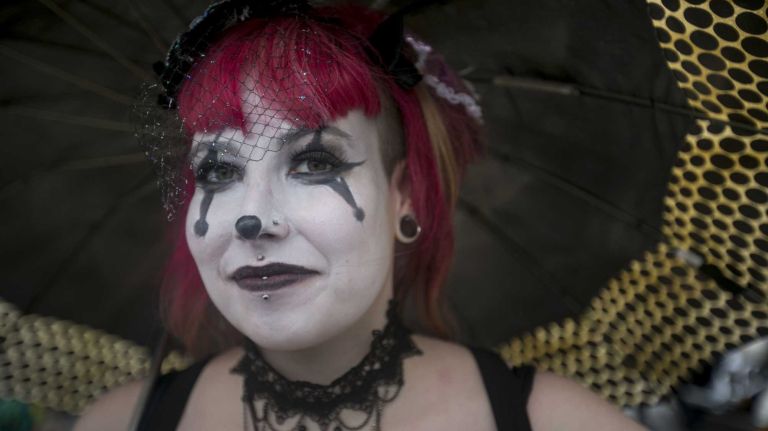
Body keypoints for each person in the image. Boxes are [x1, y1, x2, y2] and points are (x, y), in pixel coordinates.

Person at [75, 1, 646, 430]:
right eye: (219, 172)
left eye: (314, 161)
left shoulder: (560, 423)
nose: (253, 220)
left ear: (403, 197)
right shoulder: (117, 424)